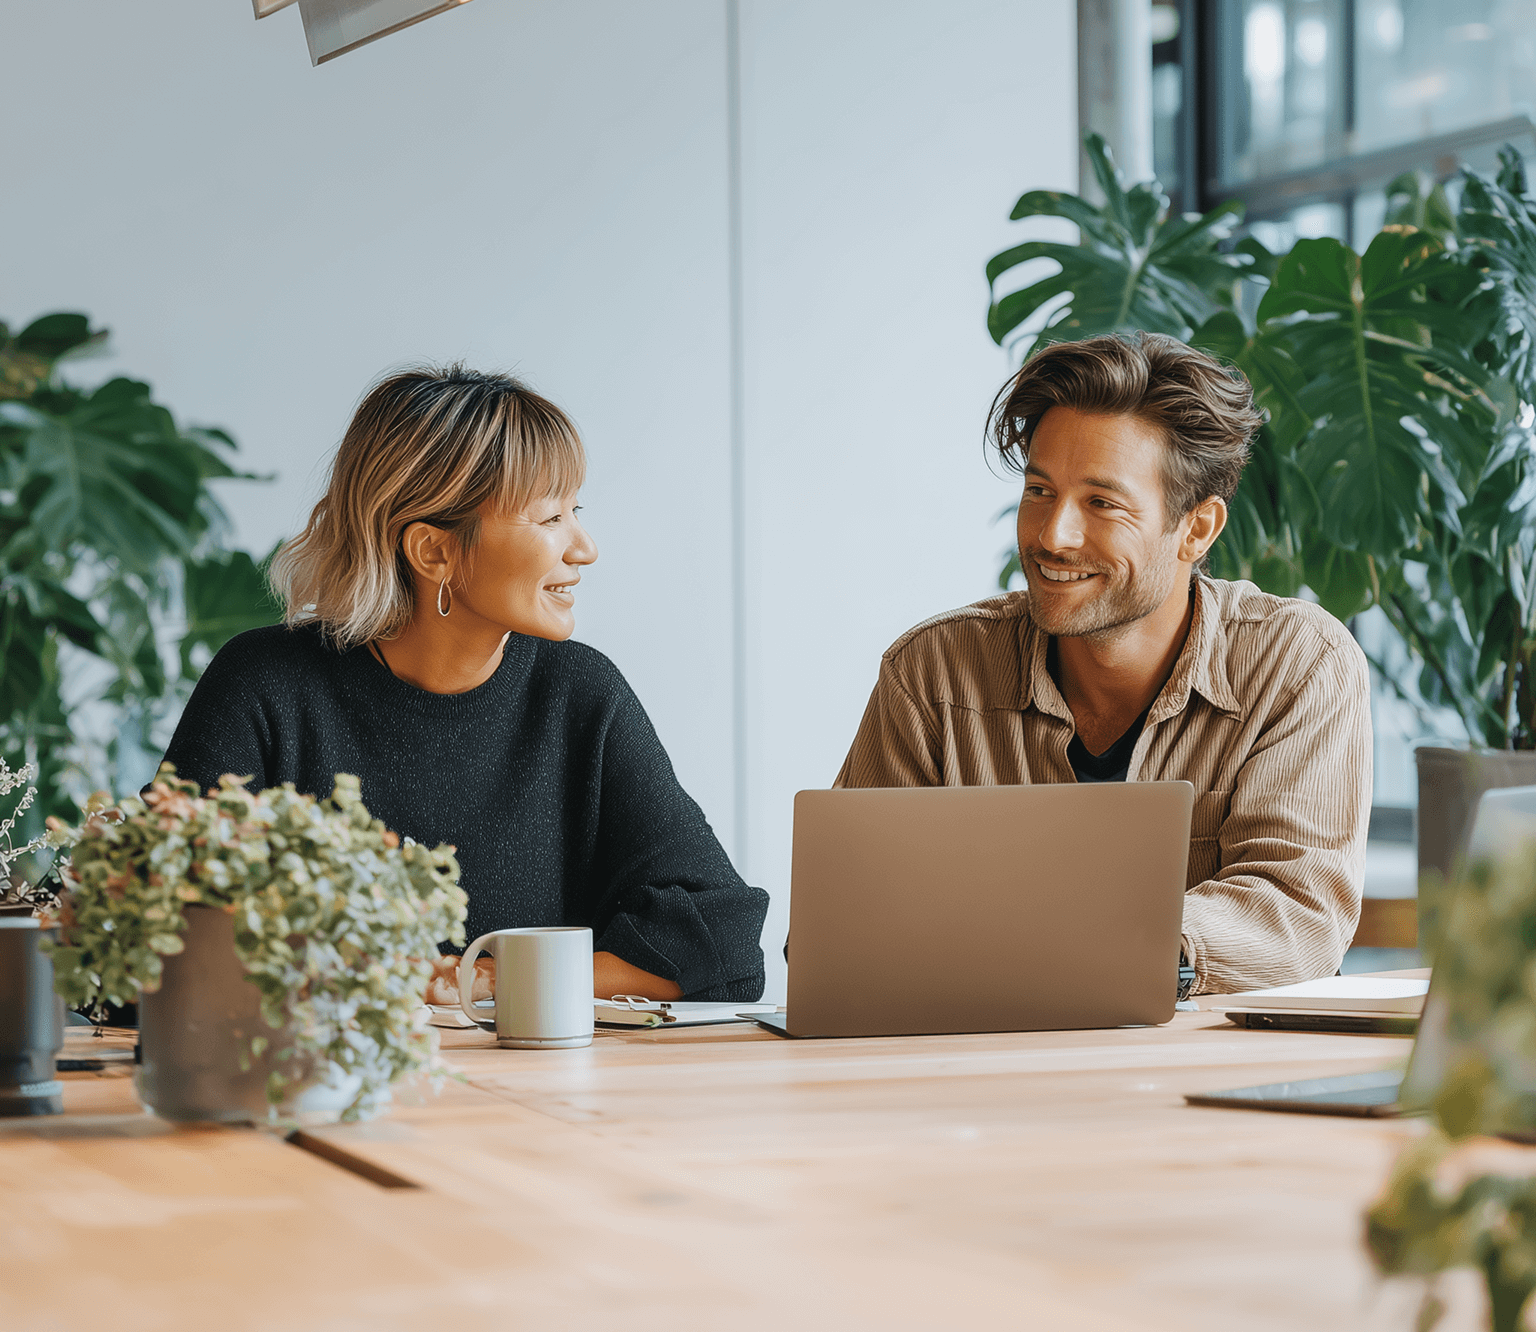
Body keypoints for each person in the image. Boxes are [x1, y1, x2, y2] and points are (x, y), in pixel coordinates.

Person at [161, 365, 768, 1003]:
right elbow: (157, 942)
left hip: (540, 1094)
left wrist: (472, 982)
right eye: (549, 518)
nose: (584, 547)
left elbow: (722, 950)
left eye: (575, 511)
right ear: (434, 552)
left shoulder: (579, 692)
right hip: (318, 1091)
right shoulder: (266, 685)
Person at [836, 332, 1370, 996]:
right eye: (1039, 491)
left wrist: (1104, 948)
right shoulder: (934, 671)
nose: (1052, 536)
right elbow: (843, 933)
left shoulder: (1297, 665)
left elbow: (1296, 918)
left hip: (1207, 1080)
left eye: (1101, 503)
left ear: (1198, 528)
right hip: (978, 1072)